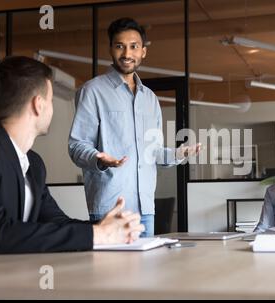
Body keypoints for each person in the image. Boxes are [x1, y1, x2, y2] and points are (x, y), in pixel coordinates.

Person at [0, 56, 144, 255]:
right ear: (39, 104)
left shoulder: (34, 164)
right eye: (51, 99)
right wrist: (97, 234)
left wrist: (107, 226)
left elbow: (57, 222)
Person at [68, 17, 200, 237]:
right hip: (110, 207)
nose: (127, 54)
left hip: (146, 208)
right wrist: (99, 159)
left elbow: (153, 153)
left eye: (134, 47)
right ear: (111, 49)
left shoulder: (150, 99)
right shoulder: (92, 91)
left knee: (146, 271)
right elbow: (76, 146)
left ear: (143, 51)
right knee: (109, 272)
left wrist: (179, 153)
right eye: (120, 46)